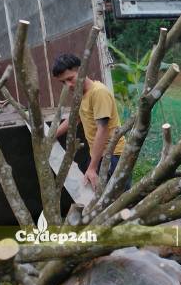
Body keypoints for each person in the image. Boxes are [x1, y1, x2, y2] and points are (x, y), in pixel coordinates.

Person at [52, 54, 127, 189]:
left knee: (116, 197)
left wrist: (92, 168)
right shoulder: (81, 94)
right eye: (63, 82)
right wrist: (53, 135)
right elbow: (75, 117)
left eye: (70, 78)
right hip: (98, 155)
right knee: (98, 195)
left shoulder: (98, 93)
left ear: (81, 71)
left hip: (113, 155)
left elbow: (102, 130)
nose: (68, 85)